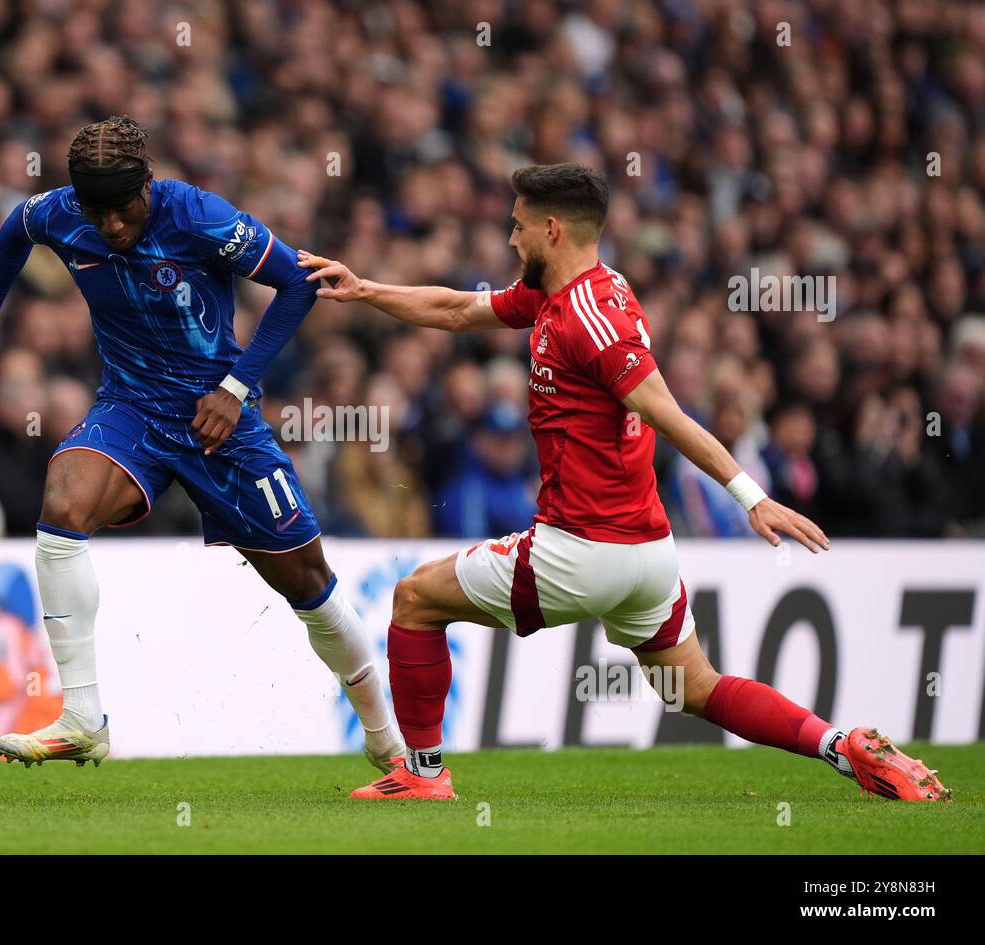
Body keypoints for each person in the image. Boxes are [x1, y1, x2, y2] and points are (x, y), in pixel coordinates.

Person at [298, 163, 949, 803]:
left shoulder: (587, 319)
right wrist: (366, 289)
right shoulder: (572, 290)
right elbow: (460, 308)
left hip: (581, 548)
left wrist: (752, 496)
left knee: (414, 598)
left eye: (518, 226)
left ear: (552, 229)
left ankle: (423, 772)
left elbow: (665, 411)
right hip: (646, 553)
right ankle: (843, 745)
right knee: (694, 685)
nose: (509, 238)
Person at [0, 116, 403, 770]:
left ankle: (386, 739)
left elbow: (297, 283)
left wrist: (236, 389)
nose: (112, 228)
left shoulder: (200, 217)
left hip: (220, 418)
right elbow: (15, 228)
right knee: (63, 503)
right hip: (132, 406)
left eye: (123, 212)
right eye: (98, 216)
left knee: (308, 582)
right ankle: (81, 717)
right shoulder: (62, 213)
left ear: (147, 187)